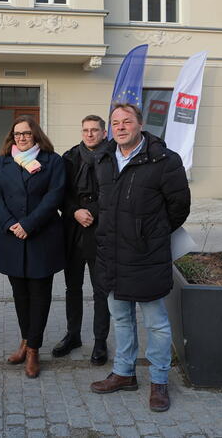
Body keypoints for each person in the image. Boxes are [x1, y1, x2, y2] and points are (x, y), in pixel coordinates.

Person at [89, 102, 190, 413]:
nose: (120, 127)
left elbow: (179, 208)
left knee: (156, 323)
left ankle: (159, 381)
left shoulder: (164, 160)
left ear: (140, 124)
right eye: (115, 122)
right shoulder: (103, 158)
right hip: (112, 256)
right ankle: (124, 373)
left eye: (126, 121)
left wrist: (151, 233)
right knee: (120, 318)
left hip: (146, 255)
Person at [0, 115, 66, 379]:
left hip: (40, 236)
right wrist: (10, 223)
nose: (21, 137)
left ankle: (33, 349)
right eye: (17, 133)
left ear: (36, 136)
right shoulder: (4, 161)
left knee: (39, 296)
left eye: (26, 133)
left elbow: (54, 195)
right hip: (11, 237)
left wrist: (28, 224)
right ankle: (24, 340)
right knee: (20, 294)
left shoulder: (52, 161)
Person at [52, 115, 111, 365]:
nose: (89, 134)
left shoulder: (114, 157)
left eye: (94, 130)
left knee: (101, 290)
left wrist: (93, 212)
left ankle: (100, 342)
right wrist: (74, 210)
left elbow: (115, 192)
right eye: (85, 130)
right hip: (73, 228)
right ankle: (73, 335)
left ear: (104, 132)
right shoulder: (70, 157)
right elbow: (60, 191)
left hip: (101, 230)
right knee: (72, 288)